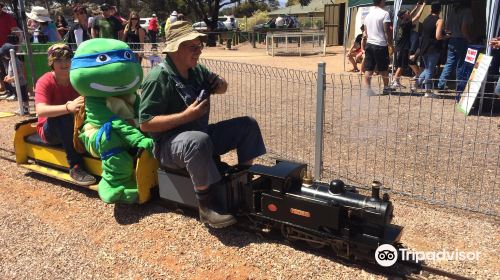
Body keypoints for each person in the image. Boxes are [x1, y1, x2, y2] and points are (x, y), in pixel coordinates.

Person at [139, 21, 266, 228]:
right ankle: (206, 208)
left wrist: (221, 84)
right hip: (169, 147)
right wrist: (186, 116)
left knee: (247, 125)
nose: (199, 51)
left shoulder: (197, 70)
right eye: (193, 47)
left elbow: (222, 87)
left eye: (200, 46)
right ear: (176, 49)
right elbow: (146, 123)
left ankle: (242, 183)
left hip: (200, 134)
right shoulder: (158, 78)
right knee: (197, 141)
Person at [34, 44, 96, 185]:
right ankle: (75, 166)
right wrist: (69, 107)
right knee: (61, 116)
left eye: (67, 59)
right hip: (50, 130)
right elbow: (41, 110)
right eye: (59, 60)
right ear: (52, 63)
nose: (64, 63)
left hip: (74, 124)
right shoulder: (45, 81)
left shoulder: (77, 78)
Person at [437, 0, 473, 93]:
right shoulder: (466, 11)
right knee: (460, 64)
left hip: (452, 39)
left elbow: (447, 27)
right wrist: (469, 40)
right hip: (461, 40)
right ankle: (459, 86)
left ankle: (441, 84)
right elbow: (464, 28)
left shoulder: (452, 11)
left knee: (449, 63)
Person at [361, 0, 394, 96]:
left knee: (369, 68)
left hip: (369, 44)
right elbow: (387, 31)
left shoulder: (368, 15)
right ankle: (386, 88)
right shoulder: (385, 14)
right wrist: (391, 44)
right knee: (384, 68)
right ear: (381, 2)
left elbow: (366, 32)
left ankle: (368, 89)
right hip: (380, 45)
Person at [417, 2, 449, 98]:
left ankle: (415, 85)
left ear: (431, 9)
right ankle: (428, 91)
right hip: (433, 48)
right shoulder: (439, 20)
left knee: (427, 69)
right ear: (440, 10)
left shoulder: (426, 19)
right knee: (430, 70)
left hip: (424, 47)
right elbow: (438, 36)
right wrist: (446, 36)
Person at [390, 1, 425, 89]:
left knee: (401, 65)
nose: (409, 13)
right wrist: (423, 5)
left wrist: (416, 6)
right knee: (402, 65)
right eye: (407, 13)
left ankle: (396, 81)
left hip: (400, 47)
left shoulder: (401, 22)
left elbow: (411, 15)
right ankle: (395, 81)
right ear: (403, 16)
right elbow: (417, 17)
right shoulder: (406, 24)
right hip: (403, 47)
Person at [0, 43, 29, 113]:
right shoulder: (11, 61)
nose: (3, 56)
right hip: (16, 83)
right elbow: (12, 71)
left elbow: (19, 74)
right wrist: (8, 76)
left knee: (23, 97)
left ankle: (25, 109)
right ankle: (22, 108)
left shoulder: (16, 62)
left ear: (7, 54)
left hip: (21, 83)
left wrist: (11, 79)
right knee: (19, 96)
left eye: (4, 54)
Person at [0, 3, 18, 96]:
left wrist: (15, 46)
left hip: (7, 48)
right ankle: (8, 91)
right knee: (2, 71)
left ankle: (15, 92)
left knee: (9, 70)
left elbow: (15, 31)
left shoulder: (8, 17)